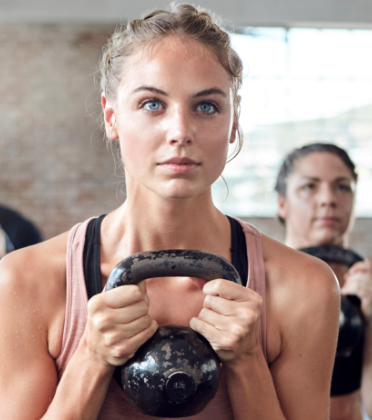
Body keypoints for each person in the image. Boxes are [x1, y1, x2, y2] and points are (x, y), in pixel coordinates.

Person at [0, 5, 341, 420]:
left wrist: (248, 361)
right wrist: (91, 356)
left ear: (233, 123)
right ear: (112, 117)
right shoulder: (25, 280)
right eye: (151, 104)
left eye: (206, 107)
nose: (180, 131)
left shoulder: (304, 287)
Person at [275, 143, 372, 420]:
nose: (328, 199)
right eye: (309, 187)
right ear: (282, 203)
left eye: (342, 187)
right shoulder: (258, 290)